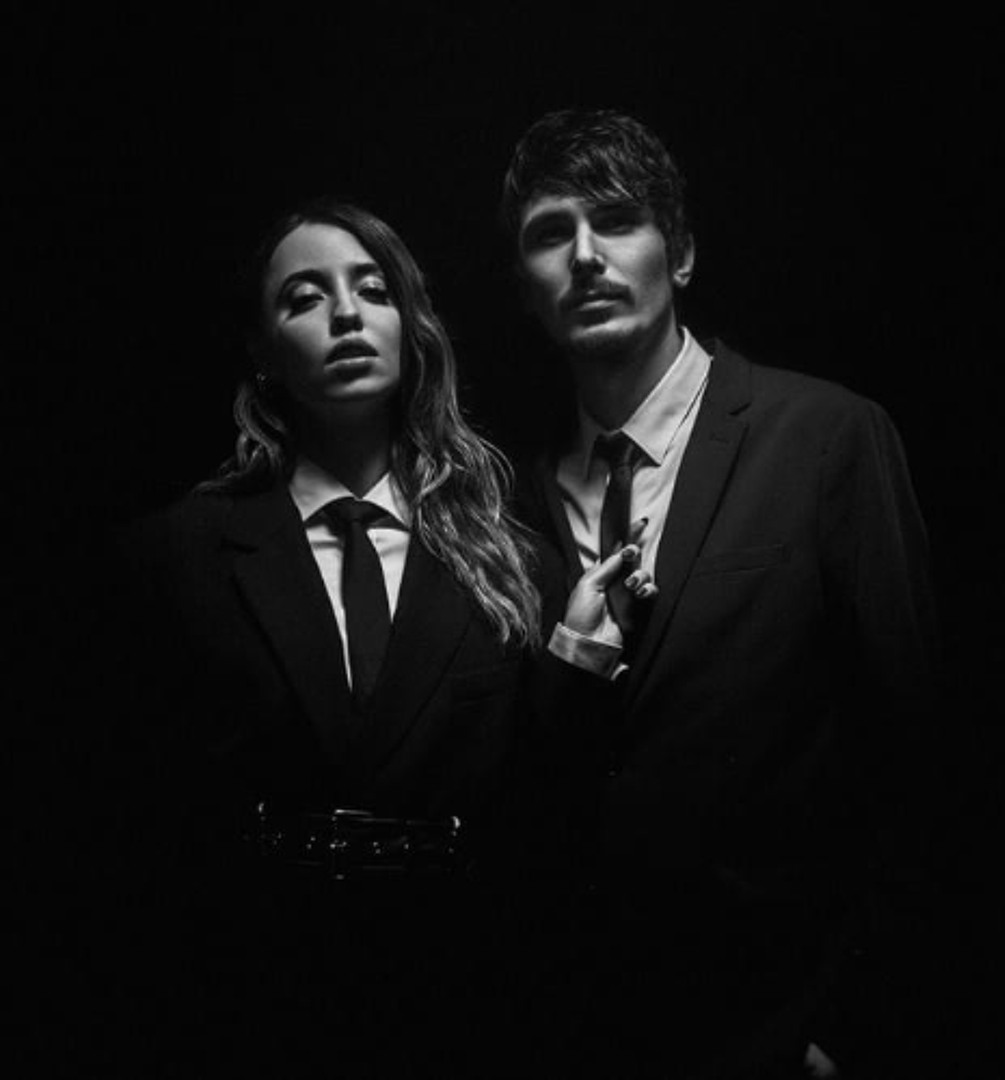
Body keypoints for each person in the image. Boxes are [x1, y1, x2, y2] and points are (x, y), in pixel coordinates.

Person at [87, 198, 653, 1079]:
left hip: (463, 1012)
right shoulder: (174, 557)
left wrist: (576, 661)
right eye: (304, 298)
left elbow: (549, 820)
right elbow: (122, 836)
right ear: (263, 350)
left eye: (373, 290)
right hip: (248, 1012)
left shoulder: (516, 563)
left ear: (409, 328)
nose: (346, 314)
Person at [497, 108, 944, 1079]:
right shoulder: (500, 500)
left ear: (683, 253)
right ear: (525, 288)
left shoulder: (826, 439)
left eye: (618, 220)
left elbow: (915, 752)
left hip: (779, 1032)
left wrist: (849, 1022)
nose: (585, 256)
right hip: (576, 1034)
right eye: (550, 233)